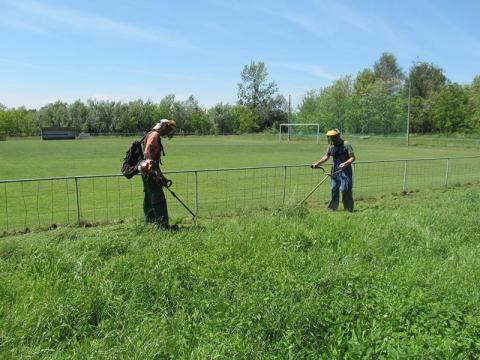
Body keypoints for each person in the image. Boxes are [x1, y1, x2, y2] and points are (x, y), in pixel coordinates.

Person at [138, 119, 176, 228]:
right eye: (168, 129)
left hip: (147, 172)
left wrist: (161, 176)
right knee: (158, 197)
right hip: (150, 172)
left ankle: (150, 223)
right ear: (163, 126)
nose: (168, 132)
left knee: (149, 198)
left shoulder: (151, 133)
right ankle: (163, 226)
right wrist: (155, 172)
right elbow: (147, 152)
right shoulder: (154, 135)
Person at [311, 129, 356, 212]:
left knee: (345, 189)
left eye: (333, 137)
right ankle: (332, 208)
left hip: (345, 170)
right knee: (334, 188)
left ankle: (348, 209)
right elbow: (326, 157)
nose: (331, 139)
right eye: (330, 137)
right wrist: (317, 163)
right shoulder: (331, 146)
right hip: (335, 169)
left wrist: (345, 163)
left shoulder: (346, 144)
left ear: (338, 136)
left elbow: (353, 157)